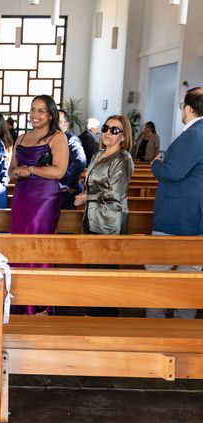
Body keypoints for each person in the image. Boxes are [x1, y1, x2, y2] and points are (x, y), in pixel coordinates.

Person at [146, 86, 203, 319]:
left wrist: (155, 165)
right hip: (192, 214)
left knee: (158, 273)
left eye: (182, 106)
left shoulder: (195, 134)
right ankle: (181, 327)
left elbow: (174, 171)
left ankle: (159, 327)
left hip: (178, 216)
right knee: (189, 274)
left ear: (188, 108)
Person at [75, 115, 133, 317]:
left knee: (105, 272)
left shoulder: (123, 159)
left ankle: (103, 316)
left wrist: (87, 197)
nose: (108, 132)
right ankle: (94, 312)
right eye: (106, 128)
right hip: (92, 218)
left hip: (109, 222)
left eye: (114, 130)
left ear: (124, 137)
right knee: (94, 270)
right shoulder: (99, 153)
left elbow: (116, 193)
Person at [9, 95, 69, 234]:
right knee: (19, 236)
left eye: (41, 111)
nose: (35, 114)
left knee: (38, 240)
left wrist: (30, 170)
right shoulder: (21, 138)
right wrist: (14, 172)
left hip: (44, 197)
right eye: (33, 109)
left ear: (50, 116)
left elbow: (59, 171)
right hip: (22, 195)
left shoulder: (58, 137)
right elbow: (11, 168)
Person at [58, 110, 87, 210]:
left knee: (65, 224)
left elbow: (80, 161)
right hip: (54, 190)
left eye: (58, 122)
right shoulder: (53, 138)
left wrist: (70, 184)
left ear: (66, 125)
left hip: (66, 193)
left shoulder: (71, 139)